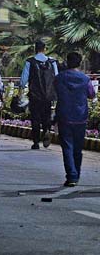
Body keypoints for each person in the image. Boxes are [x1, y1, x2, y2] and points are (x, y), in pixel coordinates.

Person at [54, 52, 95, 187]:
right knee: (77, 148)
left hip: (64, 116)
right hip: (80, 116)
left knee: (67, 147)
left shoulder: (59, 78)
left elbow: (55, 93)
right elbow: (91, 94)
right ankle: (76, 174)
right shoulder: (85, 79)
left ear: (67, 62)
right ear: (79, 63)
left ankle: (71, 176)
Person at [20, 40, 59, 149]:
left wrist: (21, 90)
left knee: (35, 118)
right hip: (48, 95)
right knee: (46, 115)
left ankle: (36, 142)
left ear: (35, 49)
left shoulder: (30, 62)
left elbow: (23, 80)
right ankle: (46, 130)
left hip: (35, 95)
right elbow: (57, 77)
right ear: (45, 49)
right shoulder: (52, 62)